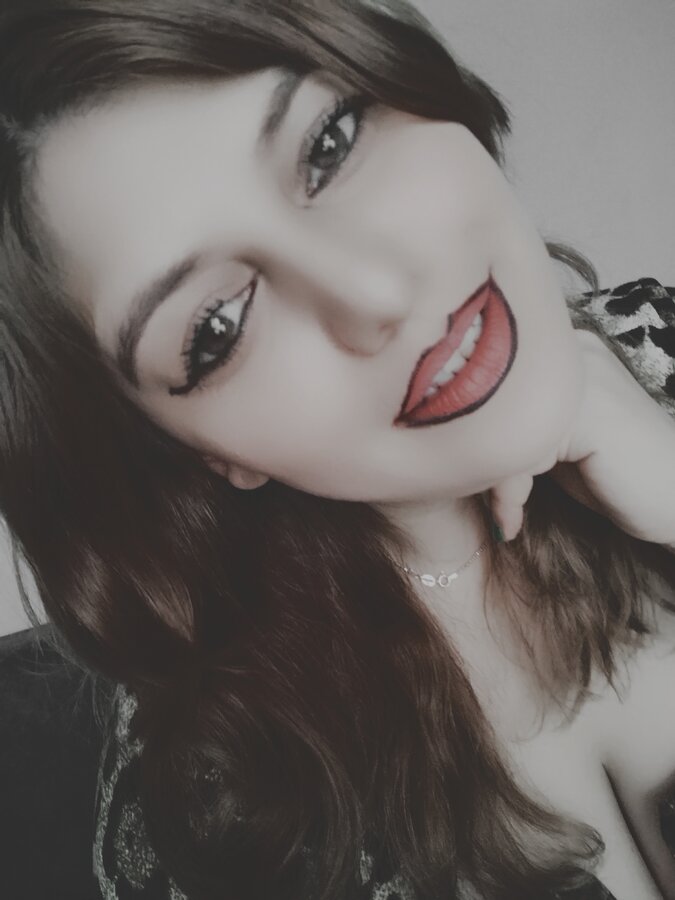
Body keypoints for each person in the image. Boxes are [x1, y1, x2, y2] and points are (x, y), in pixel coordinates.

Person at [1, 1, 674, 898]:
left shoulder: (659, 349)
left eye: (331, 143)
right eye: (217, 327)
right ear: (194, 451)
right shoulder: (240, 814)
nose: (377, 292)